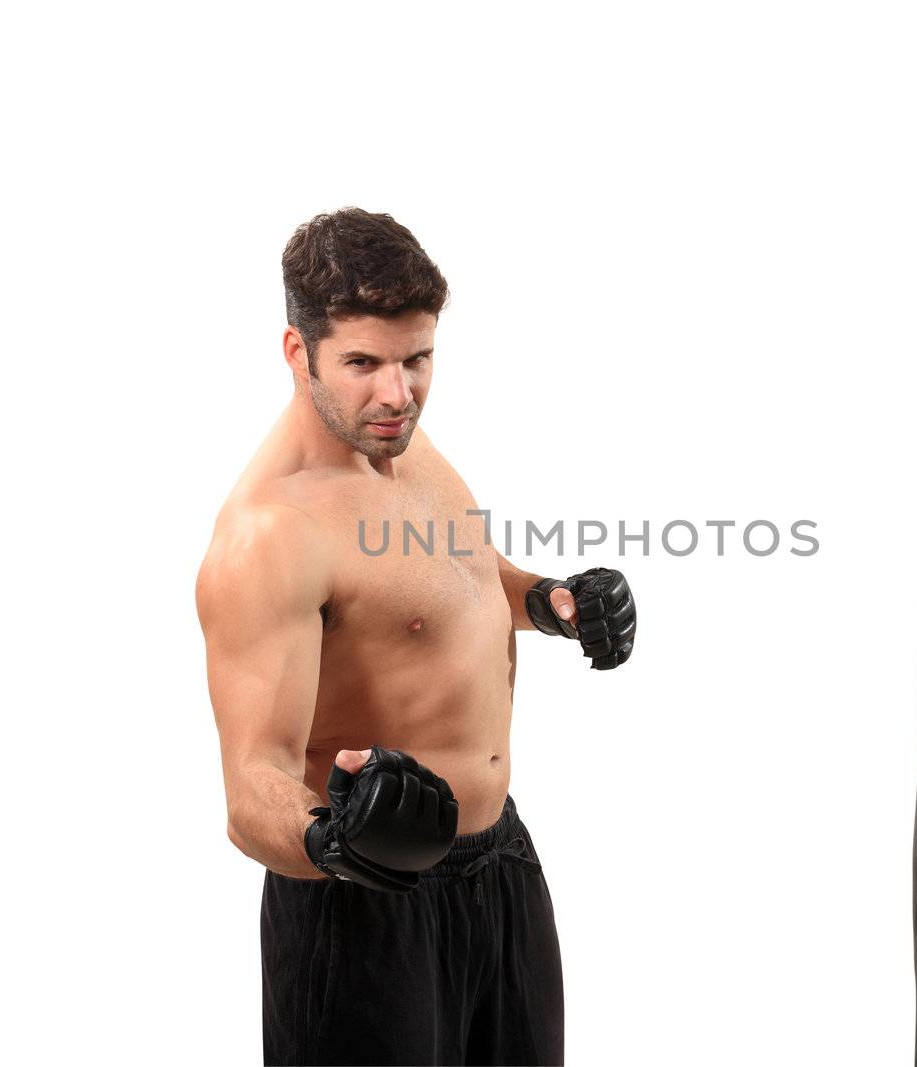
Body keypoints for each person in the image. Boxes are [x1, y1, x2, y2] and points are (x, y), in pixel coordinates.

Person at [195, 207, 637, 1065]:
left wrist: (550, 600)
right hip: (362, 907)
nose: (398, 393)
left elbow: (455, 578)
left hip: (500, 863)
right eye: (362, 362)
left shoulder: (395, 436)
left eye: (416, 358)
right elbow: (251, 789)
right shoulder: (269, 534)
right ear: (298, 353)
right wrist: (332, 837)